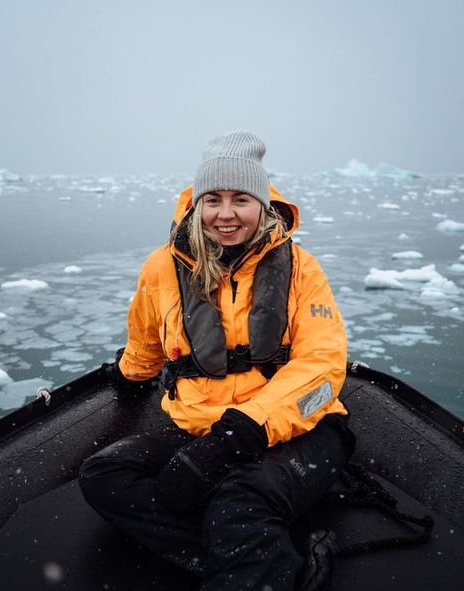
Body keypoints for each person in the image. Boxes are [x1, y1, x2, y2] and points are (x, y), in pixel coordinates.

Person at [79, 130, 355, 590]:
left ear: (263, 205)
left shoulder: (302, 269)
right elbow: (145, 341)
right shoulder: (161, 267)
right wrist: (128, 376)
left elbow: (324, 367)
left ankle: (247, 551)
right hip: (203, 427)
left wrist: (239, 432)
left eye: (240, 199)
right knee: (106, 475)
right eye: (213, 199)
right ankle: (268, 559)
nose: (225, 215)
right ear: (197, 204)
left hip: (302, 429)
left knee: (239, 502)